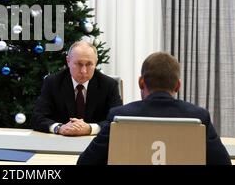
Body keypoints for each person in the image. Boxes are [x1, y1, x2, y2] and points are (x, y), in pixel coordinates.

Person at [77, 52, 231, 165]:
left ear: (141, 83)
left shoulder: (120, 116)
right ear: (178, 85)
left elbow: (85, 163)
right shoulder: (197, 117)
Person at [32, 40, 122, 136]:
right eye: (79, 64)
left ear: (96, 62)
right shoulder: (53, 82)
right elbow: (38, 117)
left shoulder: (109, 85)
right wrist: (60, 128)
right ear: (68, 61)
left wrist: (90, 128)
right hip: (60, 142)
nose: (83, 71)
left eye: (89, 64)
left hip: (95, 144)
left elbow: (117, 120)